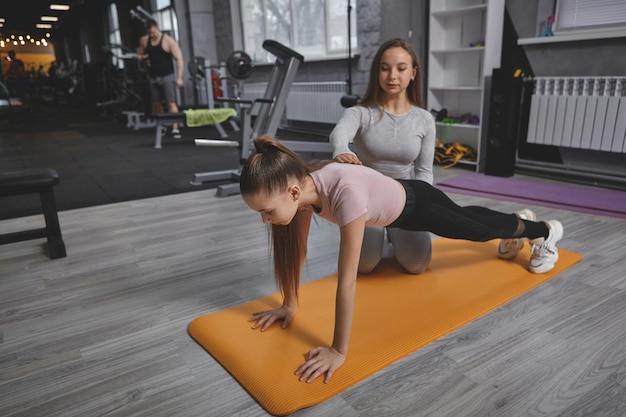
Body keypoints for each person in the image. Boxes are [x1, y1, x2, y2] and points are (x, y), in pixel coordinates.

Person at [241, 135, 564, 384]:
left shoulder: (344, 194)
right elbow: (295, 252)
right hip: (395, 212)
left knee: (474, 229)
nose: (264, 220)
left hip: (419, 205)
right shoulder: (304, 190)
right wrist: (290, 304)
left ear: (293, 192)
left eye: (266, 212)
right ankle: (517, 221)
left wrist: (339, 351)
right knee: (472, 223)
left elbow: (348, 280)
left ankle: (542, 230)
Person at [332, 39, 435, 275]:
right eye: (384, 67)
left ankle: (394, 236)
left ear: (413, 73)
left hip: (405, 198)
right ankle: (380, 238)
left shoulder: (425, 119)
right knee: (364, 266)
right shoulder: (360, 112)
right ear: (377, 72)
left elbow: (424, 171)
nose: (392, 76)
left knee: (417, 265)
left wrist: (423, 207)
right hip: (367, 200)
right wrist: (342, 149)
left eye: (401, 68)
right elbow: (341, 133)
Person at [138, 19, 184, 139]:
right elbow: (140, 53)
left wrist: (179, 78)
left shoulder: (168, 40)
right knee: (156, 104)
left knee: (171, 103)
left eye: (154, 32)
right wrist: (141, 57)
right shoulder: (144, 40)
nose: (152, 35)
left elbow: (179, 59)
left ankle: (175, 128)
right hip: (153, 77)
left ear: (157, 28)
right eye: (150, 33)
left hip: (167, 76)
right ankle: (161, 126)